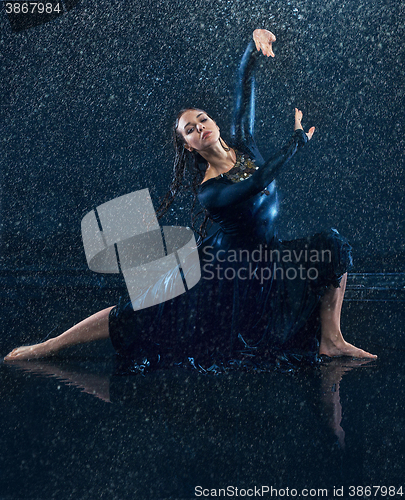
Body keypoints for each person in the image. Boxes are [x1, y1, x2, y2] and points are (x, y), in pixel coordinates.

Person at [4, 29, 376, 368]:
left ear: (214, 122)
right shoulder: (211, 190)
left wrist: (252, 48)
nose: (201, 127)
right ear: (189, 145)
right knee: (139, 310)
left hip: (268, 257)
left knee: (331, 246)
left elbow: (244, 90)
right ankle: (48, 346)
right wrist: (296, 142)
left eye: (203, 119)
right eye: (191, 130)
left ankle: (331, 338)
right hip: (221, 270)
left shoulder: (242, 144)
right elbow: (259, 180)